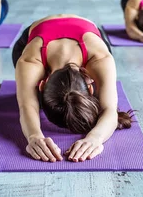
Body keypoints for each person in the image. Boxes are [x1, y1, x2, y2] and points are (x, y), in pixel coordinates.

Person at [12, 14, 133, 163]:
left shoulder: (101, 57)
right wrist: (34, 136)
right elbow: (27, 106)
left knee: (81, 102)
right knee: (33, 94)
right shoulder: (28, 60)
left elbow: (110, 110)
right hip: (30, 41)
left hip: (86, 42)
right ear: (41, 83)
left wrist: (95, 138)